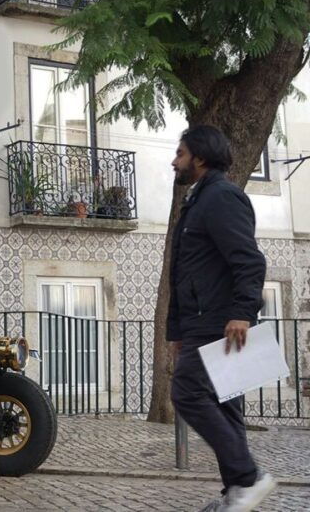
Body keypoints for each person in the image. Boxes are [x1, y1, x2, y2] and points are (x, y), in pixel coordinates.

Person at [167, 125, 276, 512]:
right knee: (226, 406)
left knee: (186, 392)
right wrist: (177, 331)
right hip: (201, 321)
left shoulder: (221, 197)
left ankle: (248, 478)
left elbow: (249, 261)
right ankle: (237, 491)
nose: (174, 161)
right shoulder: (198, 200)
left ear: (199, 157)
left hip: (219, 321)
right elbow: (183, 272)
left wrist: (242, 313)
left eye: (180, 153)